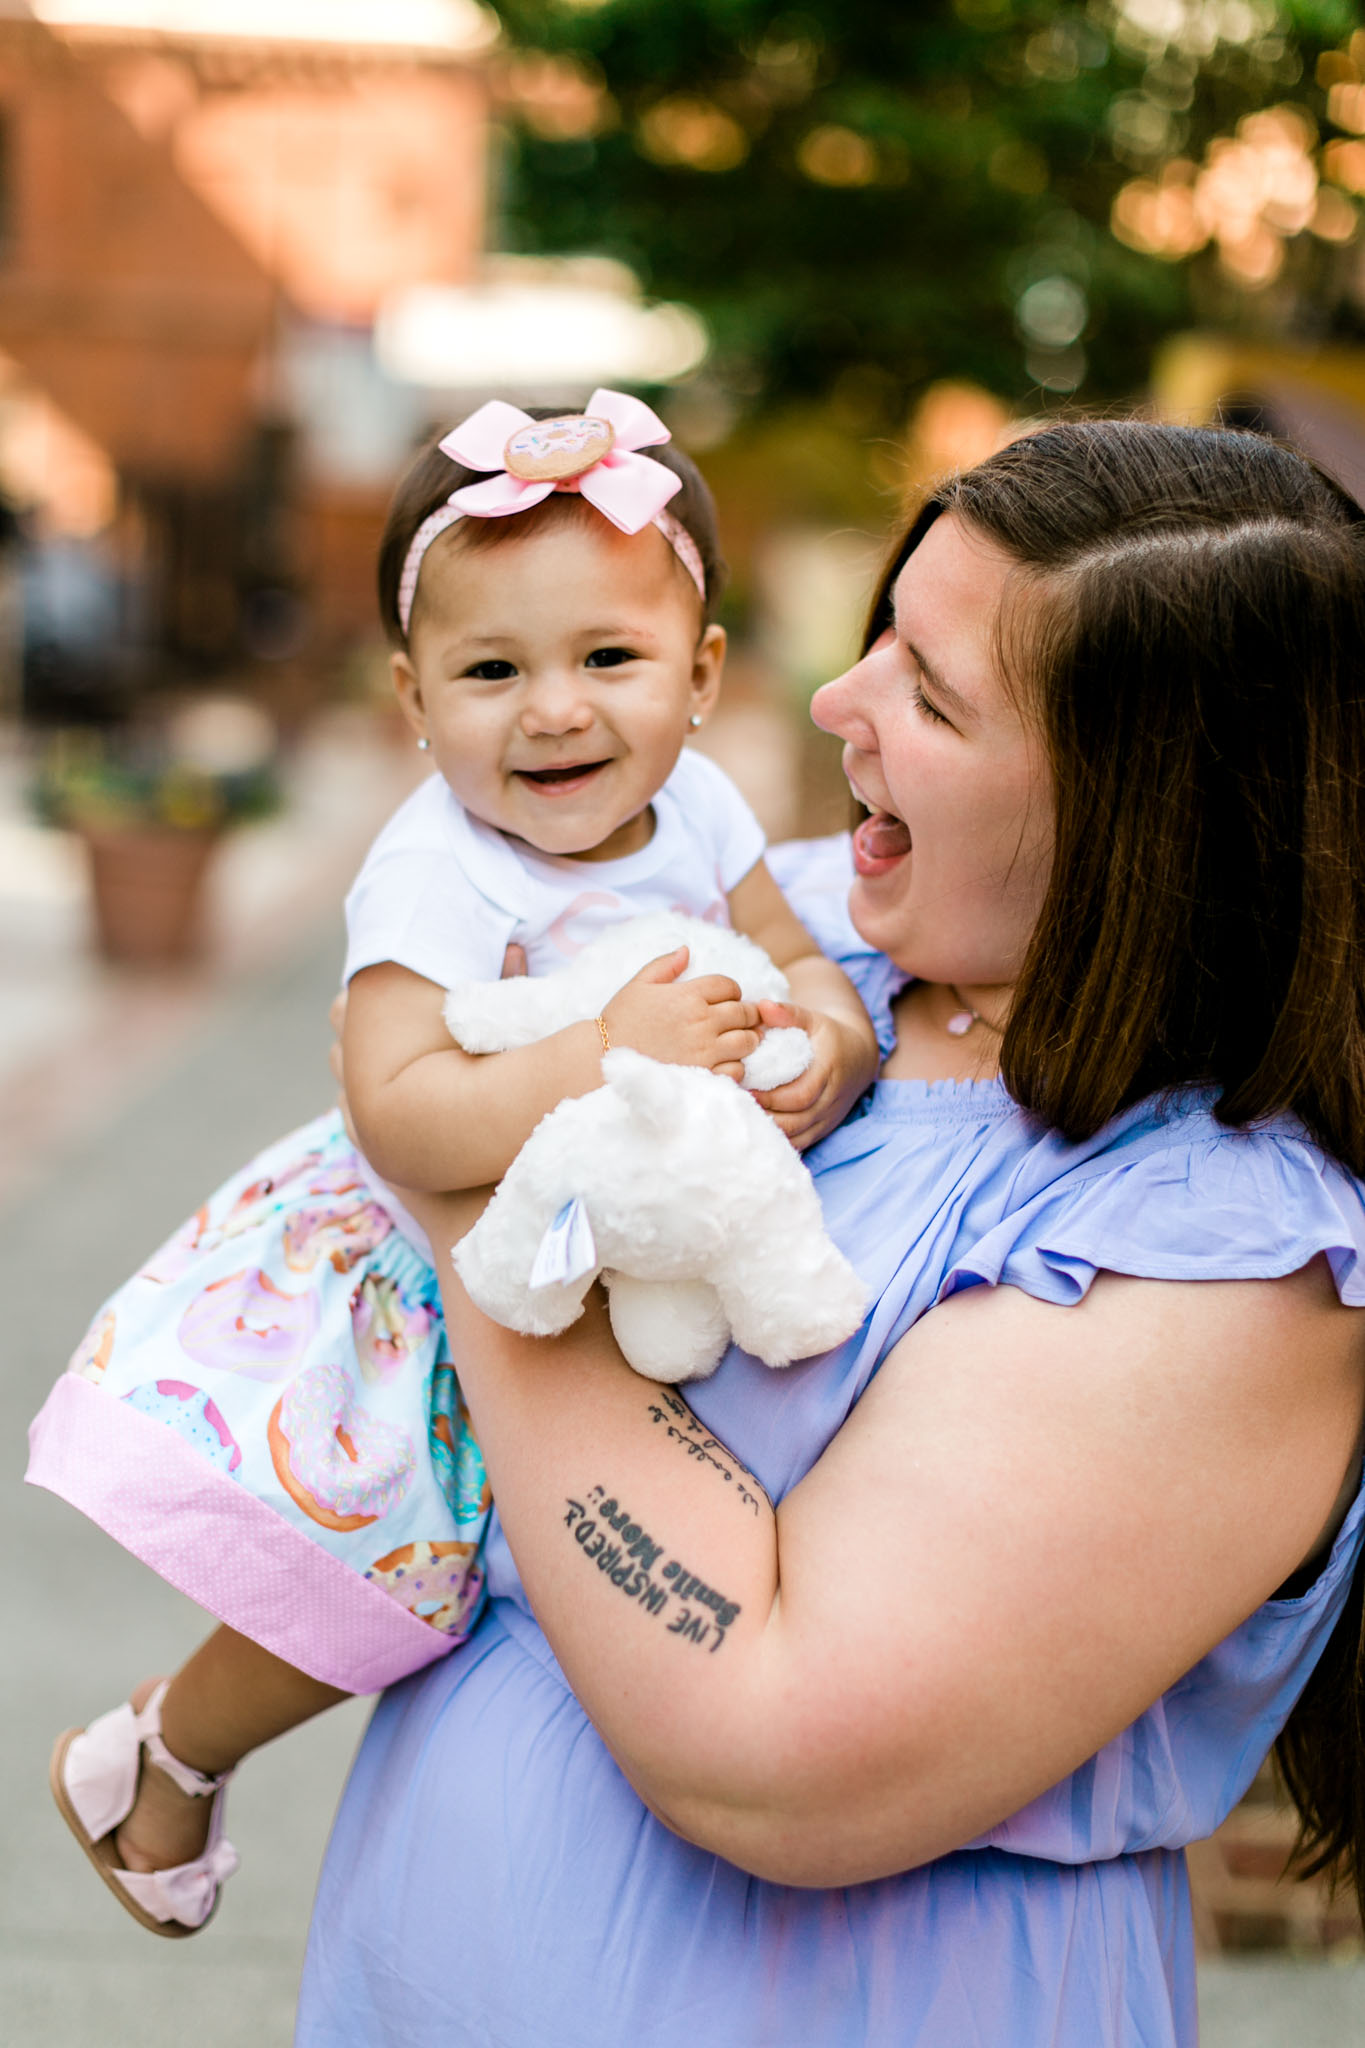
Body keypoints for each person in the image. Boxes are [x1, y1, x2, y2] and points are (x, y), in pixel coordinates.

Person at [295, 420, 1365, 2048]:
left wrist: (473, 1181)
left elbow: (773, 1745)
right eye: (882, 638)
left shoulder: (1221, 1256)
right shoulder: (809, 939)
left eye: (929, 698)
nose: (832, 705)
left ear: (1146, 818)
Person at [28, 388, 879, 1937]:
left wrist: (828, 1040)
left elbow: (788, 954)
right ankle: (160, 1750)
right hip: (428, 1269)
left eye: (606, 660)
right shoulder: (437, 862)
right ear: (415, 702)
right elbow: (398, 1106)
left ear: (697, 681)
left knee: (570, 1568)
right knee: (399, 1573)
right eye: (491, 672)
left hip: (605, 1240)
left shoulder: (698, 804)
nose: (552, 710)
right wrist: (600, 1051)